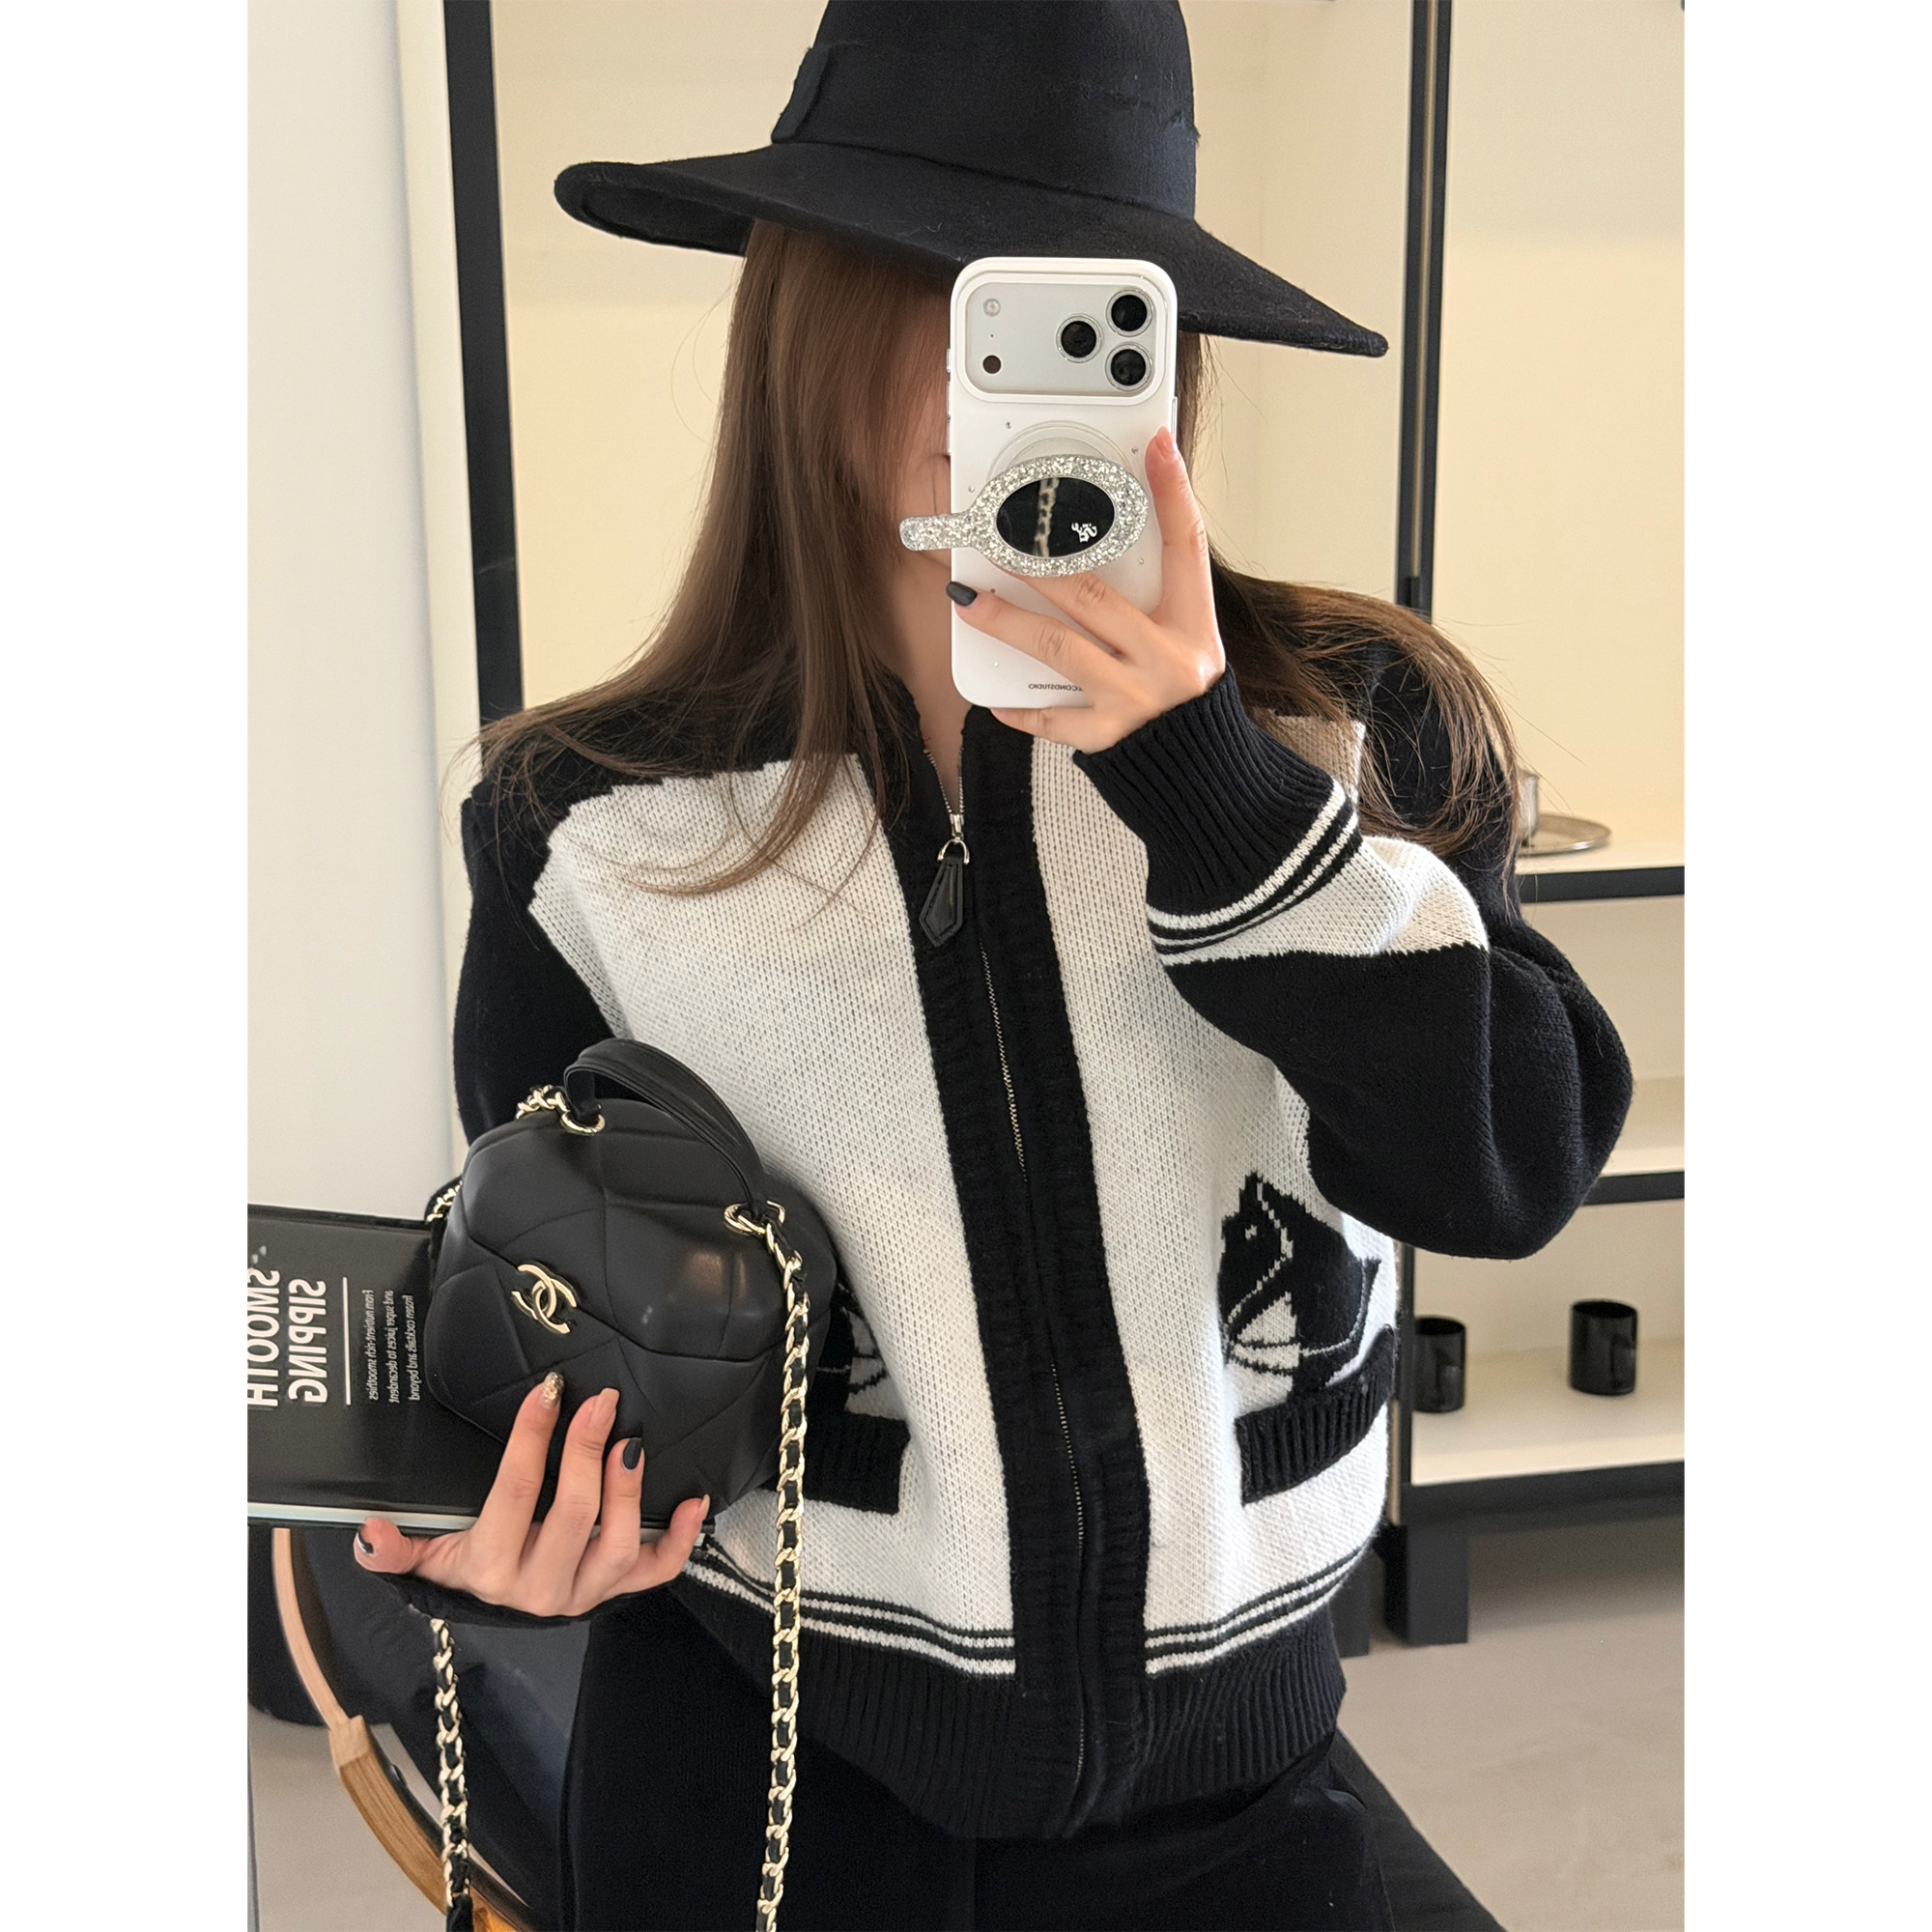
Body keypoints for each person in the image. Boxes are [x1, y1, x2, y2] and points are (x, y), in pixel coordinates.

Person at [356, 6, 1631, 1926]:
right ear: (799, 311)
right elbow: (558, 1294)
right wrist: (526, 1531)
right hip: (759, 1797)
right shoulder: (588, 819)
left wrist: (1210, 788)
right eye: (929, 280)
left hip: (1239, 1801)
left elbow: (1510, 1168)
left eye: (1071, 310)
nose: (987, 360)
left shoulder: (1355, 732)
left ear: (1164, 351)